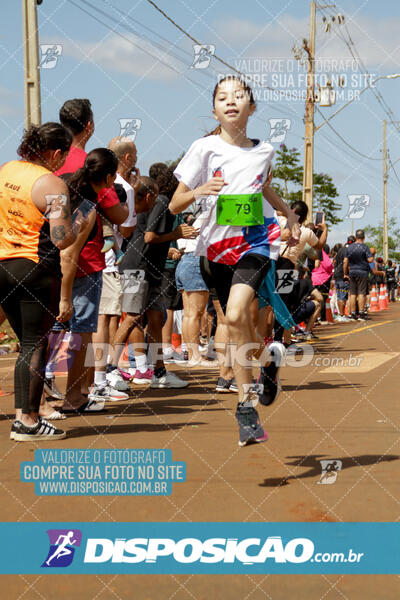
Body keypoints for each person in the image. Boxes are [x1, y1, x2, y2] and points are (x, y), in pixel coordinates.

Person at [170, 75, 300, 447]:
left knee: (237, 314)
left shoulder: (264, 151)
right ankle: (258, 385)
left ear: (252, 107)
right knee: (238, 323)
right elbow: (176, 202)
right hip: (214, 250)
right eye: (222, 97)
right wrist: (199, 190)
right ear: (214, 109)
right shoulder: (203, 148)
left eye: (239, 96)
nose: (231, 101)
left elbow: (261, 186)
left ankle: (246, 403)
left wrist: (287, 214)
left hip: (255, 244)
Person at [0, 123, 82, 441]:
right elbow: (61, 238)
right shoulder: (52, 183)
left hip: (2, 263)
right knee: (35, 343)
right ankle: (28, 421)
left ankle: (24, 417)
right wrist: (79, 225)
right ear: (57, 153)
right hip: (34, 268)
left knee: (25, 344)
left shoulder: (6, 170)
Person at [57, 148, 128, 412]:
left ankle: (42, 401)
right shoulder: (88, 205)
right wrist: (65, 295)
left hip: (47, 269)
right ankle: (75, 397)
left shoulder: (63, 183)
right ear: (109, 179)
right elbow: (68, 253)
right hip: (81, 270)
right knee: (83, 333)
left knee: (48, 335)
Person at [111, 175, 194, 388]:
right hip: (136, 268)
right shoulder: (162, 201)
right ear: (150, 195)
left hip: (150, 270)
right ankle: (109, 370)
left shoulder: (158, 203)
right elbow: (149, 237)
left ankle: (159, 373)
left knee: (156, 319)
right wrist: (176, 233)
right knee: (132, 318)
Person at [89, 137, 138, 401]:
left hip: (96, 259)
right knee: (104, 320)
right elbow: (127, 228)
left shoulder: (91, 183)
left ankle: (101, 374)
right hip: (107, 262)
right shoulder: (123, 188)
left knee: (100, 319)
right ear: (127, 158)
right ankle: (102, 376)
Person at [343, 229, 373, 321]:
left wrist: (345, 273)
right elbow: (370, 260)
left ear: (356, 237)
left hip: (352, 272)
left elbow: (345, 261)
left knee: (352, 294)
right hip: (362, 272)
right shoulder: (365, 247)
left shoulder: (350, 247)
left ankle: (352, 313)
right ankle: (361, 313)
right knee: (361, 293)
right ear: (363, 237)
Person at [333, 236, 355, 322]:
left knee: (339, 295)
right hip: (343, 276)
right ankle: (341, 315)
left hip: (337, 275)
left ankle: (340, 314)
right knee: (343, 295)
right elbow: (345, 262)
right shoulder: (348, 250)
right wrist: (346, 274)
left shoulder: (340, 250)